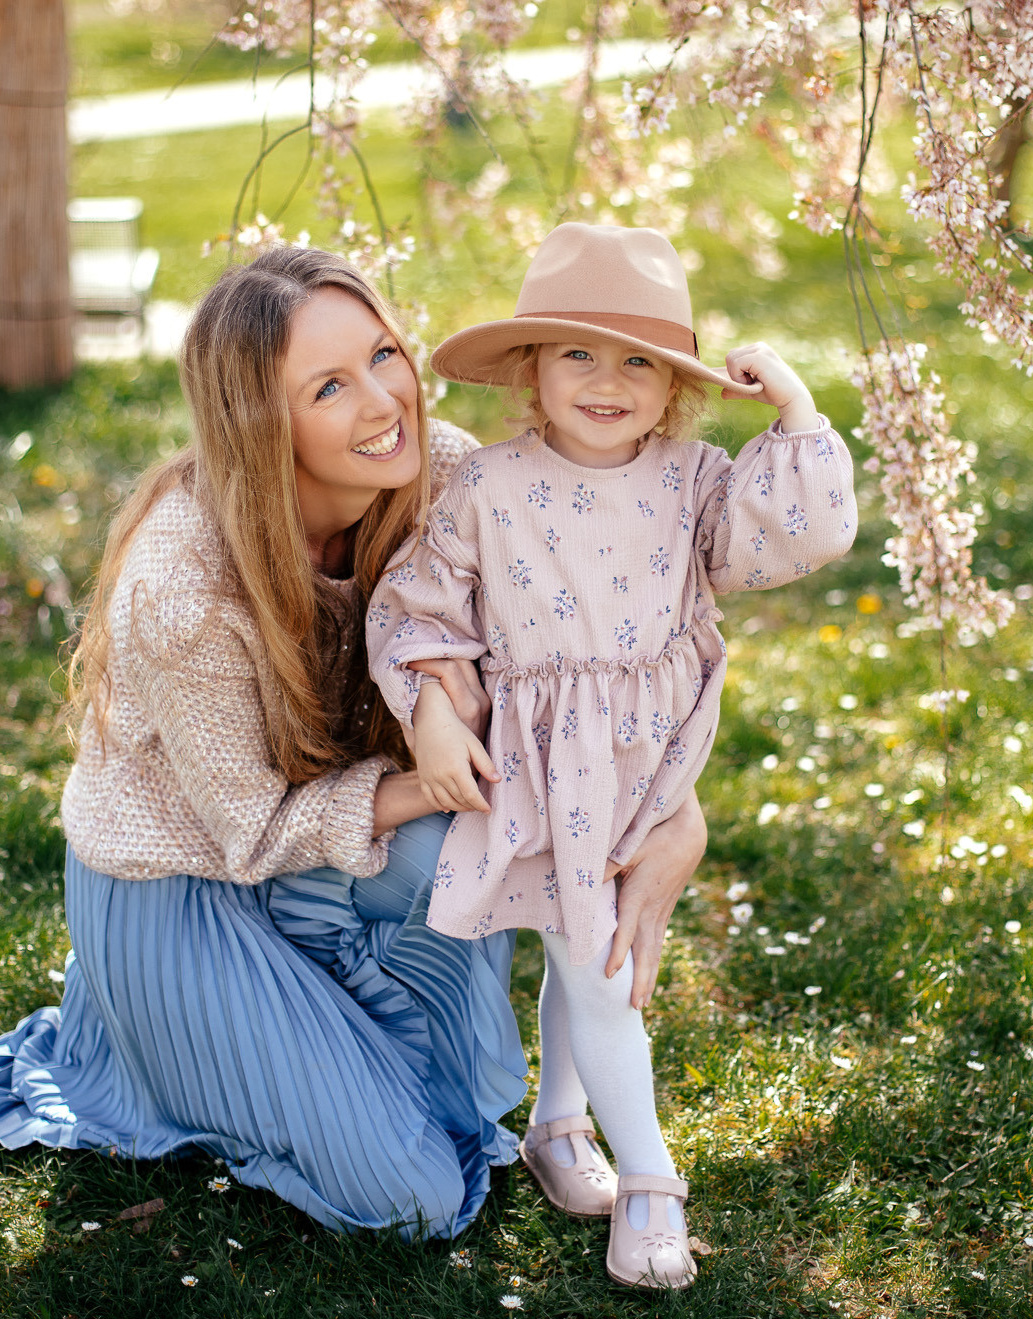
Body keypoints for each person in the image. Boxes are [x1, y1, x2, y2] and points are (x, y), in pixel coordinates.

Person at [0, 245, 709, 1241]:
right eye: (329, 387)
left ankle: (305, 1027)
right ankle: (148, 1037)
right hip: (180, 885)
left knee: (478, 882)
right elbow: (250, 833)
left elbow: (598, 658)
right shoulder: (180, 583)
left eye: (382, 355)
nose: (384, 403)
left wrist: (677, 815)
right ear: (259, 421)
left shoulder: (450, 477)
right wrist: (428, 783)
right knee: (413, 1198)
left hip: (334, 838)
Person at [366, 222, 858, 1284]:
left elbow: (801, 535)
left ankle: (557, 1125)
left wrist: (796, 410)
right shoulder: (488, 486)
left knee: (580, 946)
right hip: (544, 765)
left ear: (674, 386)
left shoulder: (695, 479)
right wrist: (434, 711)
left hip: (652, 759)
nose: (606, 381)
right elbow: (416, 607)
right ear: (530, 369)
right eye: (577, 354)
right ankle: (648, 1178)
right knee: (599, 963)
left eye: (639, 360)